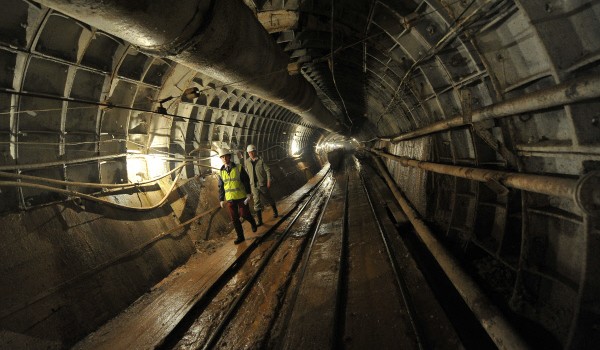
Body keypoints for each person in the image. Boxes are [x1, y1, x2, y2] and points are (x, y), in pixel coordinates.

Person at [217, 148, 257, 244]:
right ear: (221, 159)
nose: (224, 158)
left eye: (226, 156)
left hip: (241, 196)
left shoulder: (238, 167)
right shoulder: (221, 171)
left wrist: (248, 193)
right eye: (222, 157)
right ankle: (240, 237)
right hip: (230, 198)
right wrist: (221, 199)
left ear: (229, 157)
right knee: (234, 218)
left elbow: (246, 181)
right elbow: (221, 186)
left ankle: (252, 221)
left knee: (244, 214)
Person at [244, 144, 278, 226]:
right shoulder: (247, 162)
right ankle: (260, 221)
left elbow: (267, 170)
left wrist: (269, 181)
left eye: (252, 152)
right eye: (249, 153)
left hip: (262, 184)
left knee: (269, 198)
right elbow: (247, 172)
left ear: (255, 152)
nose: (250, 154)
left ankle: (275, 211)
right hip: (253, 186)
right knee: (256, 202)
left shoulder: (261, 161)